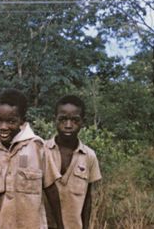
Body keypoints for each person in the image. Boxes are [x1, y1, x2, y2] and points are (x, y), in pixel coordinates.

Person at [0, 89, 64, 229]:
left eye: (11, 121)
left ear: (22, 121)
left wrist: (59, 225)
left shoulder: (38, 148)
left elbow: (50, 189)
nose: (3, 127)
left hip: (27, 223)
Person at [44, 95, 102, 229]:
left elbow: (87, 200)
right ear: (55, 120)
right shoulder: (41, 151)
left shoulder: (89, 156)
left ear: (83, 122)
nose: (68, 125)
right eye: (63, 119)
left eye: (75, 120)